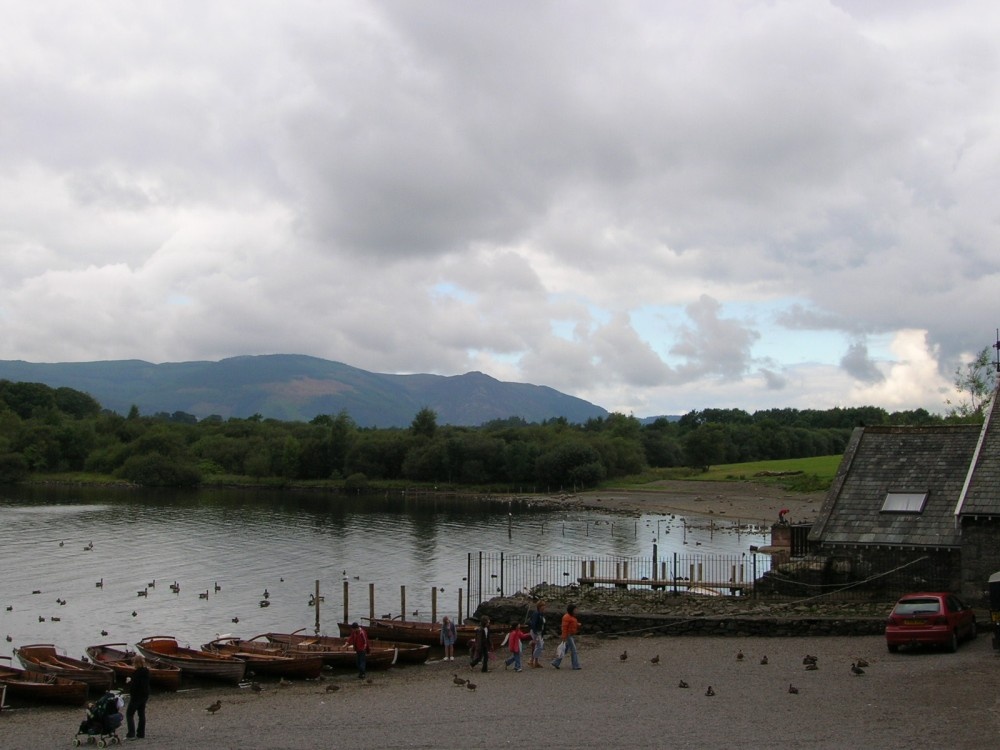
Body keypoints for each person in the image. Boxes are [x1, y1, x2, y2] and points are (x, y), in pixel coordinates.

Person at [125, 654, 150, 740]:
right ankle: (141, 734)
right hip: (144, 695)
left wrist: (129, 682)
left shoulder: (136, 673)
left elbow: (134, 686)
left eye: (134, 663)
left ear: (136, 663)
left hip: (136, 697)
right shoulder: (146, 671)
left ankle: (131, 734)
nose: (133, 665)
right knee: (141, 714)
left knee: (129, 714)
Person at [550, 603, 581, 670]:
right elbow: (564, 628)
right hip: (568, 636)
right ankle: (575, 665)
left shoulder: (570, 617)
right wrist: (564, 637)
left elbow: (570, 625)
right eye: (575, 609)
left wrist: (577, 624)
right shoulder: (567, 617)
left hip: (569, 635)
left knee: (565, 650)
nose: (576, 610)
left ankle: (556, 662)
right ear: (572, 610)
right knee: (574, 650)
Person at [528, 600, 547, 668]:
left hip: (539, 632)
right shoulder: (536, 614)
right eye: (543, 606)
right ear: (539, 607)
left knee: (538, 646)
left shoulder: (541, 614)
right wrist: (536, 633)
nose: (544, 607)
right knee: (539, 646)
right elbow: (533, 623)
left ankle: (535, 661)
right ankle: (531, 660)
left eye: (544, 605)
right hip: (535, 632)